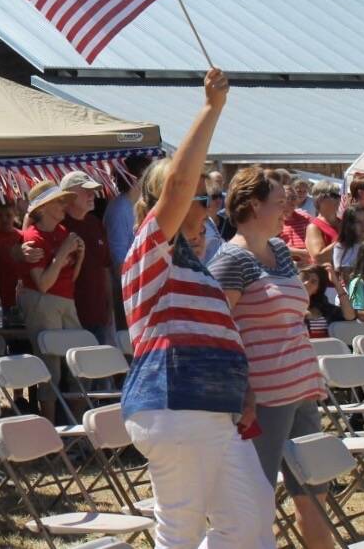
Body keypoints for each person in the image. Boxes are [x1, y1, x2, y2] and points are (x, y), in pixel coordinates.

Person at [122, 68, 272, 548]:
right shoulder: (151, 250)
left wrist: (243, 390)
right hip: (175, 404)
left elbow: (221, 335)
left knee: (251, 521)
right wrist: (211, 108)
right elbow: (178, 183)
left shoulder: (199, 269)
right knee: (181, 530)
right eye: (202, 198)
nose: (209, 208)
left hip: (215, 410)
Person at [208, 166, 330, 549]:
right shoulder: (230, 260)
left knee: (314, 492)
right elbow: (215, 330)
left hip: (302, 387)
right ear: (253, 205)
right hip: (263, 398)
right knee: (257, 500)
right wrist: (240, 389)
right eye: (279, 202)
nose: (287, 210)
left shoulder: (279, 250)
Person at [19, 179, 83, 423]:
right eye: (58, 201)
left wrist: (79, 254)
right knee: (50, 369)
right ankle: (51, 430)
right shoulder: (32, 237)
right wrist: (64, 251)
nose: (64, 205)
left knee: (80, 362)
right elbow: (43, 284)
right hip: (43, 302)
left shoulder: (62, 233)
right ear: (43, 207)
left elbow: (71, 277)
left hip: (67, 300)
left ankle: (80, 428)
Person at [60, 171, 115, 348]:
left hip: (99, 315)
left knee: (100, 363)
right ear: (69, 195)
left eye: (93, 190)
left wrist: (109, 305)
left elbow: (105, 267)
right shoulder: (59, 226)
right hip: (71, 316)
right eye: (86, 191)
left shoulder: (95, 223)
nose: (92, 195)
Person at [104, 155, 151, 332]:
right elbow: (118, 261)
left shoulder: (135, 206)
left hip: (139, 290)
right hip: (127, 293)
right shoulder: (120, 209)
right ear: (136, 178)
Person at [301, 264, 356, 339]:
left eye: (313, 281)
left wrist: (336, 283)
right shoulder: (288, 305)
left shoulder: (327, 310)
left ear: (317, 289)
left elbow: (350, 316)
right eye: (304, 278)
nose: (306, 283)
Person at [305, 180, 342, 265]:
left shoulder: (344, 222)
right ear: (319, 199)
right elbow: (318, 258)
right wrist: (344, 239)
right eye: (334, 196)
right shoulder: (313, 227)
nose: (339, 199)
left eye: (338, 195)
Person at [280, 184, 312, 263]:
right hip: (284, 262)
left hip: (307, 263)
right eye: (288, 198)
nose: (292, 201)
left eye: (294, 198)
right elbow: (273, 247)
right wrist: (301, 252)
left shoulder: (305, 217)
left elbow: (314, 243)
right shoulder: (273, 220)